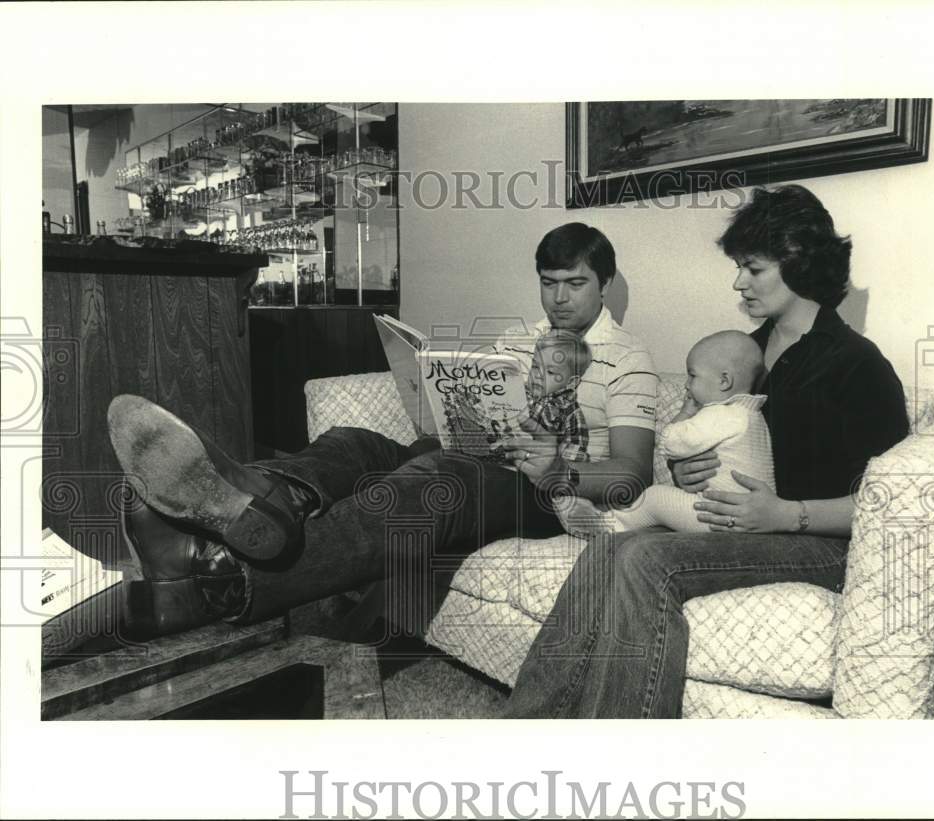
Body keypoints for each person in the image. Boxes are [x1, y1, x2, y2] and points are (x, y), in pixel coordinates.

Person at [110, 222, 658, 640]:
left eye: (575, 284)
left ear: (604, 284)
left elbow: (630, 477)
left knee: (438, 479)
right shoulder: (518, 340)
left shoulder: (628, 360)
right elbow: (476, 408)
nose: (559, 299)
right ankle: (264, 499)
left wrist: (558, 468)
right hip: (480, 459)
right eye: (548, 284)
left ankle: (213, 580)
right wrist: (438, 398)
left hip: (543, 496)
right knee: (355, 441)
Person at [504, 184, 911, 719]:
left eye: (754, 269)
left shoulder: (856, 362)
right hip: (730, 522)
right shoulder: (745, 352)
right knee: (606, 550)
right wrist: (682, 465)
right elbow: (701, 434)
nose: (738, 282)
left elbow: (893, 503)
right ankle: (523, 729)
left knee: (644, 556)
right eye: (740, 266)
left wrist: (788, 513)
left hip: (816, 542)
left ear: (801, 264)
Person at [557, 329, 773, 536]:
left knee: (654, 498)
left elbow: (672, 442)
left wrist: (685, 412)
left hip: (720, 517)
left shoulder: (721, 415)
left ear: (724, 381)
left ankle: (608, 525)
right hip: (743, 517)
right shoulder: (752, 416)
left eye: (692, 376)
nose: (686, 386)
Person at [514, 329, 593, 464]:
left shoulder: (568, 410)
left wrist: (556, 463)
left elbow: (577, 449)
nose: (538, 375)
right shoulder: (520, 391)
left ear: (571, 382)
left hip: (539, 466)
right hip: (509, 451)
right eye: (535, 366)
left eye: (550, 371)